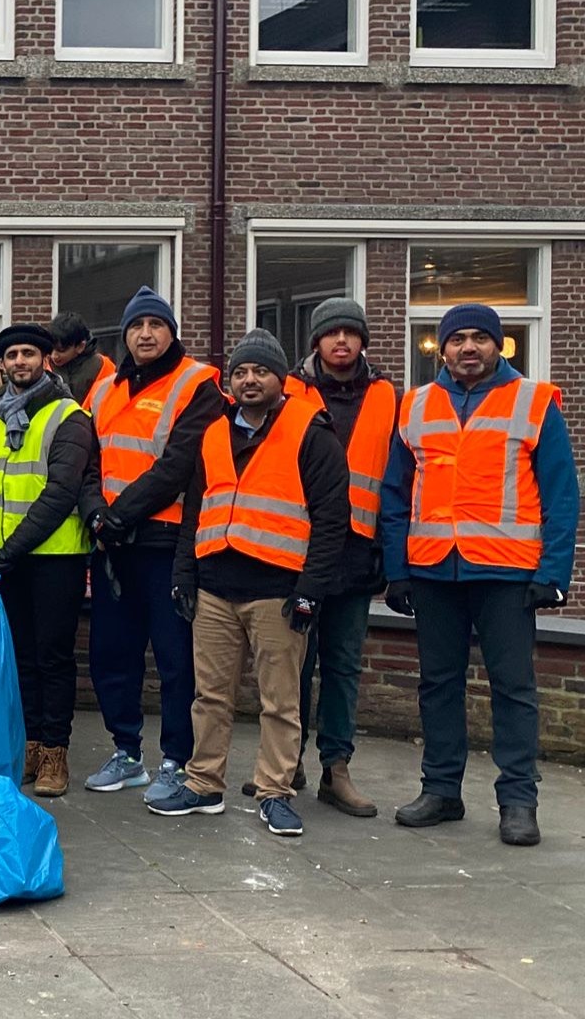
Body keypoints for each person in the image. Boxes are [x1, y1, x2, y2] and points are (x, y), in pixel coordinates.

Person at [380, 303, 578, 847]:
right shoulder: (415, 405)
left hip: (509, 572)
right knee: (437, 686)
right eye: (458, 339)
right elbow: (395, 495)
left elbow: (562, 494)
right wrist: (397, 569)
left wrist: (554, 570)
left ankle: (518, 800)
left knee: (513, 689)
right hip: (433, 570)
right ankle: (441, 790)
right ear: (441, 348)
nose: (469, 348)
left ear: (500, 345)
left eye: (480, 339)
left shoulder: (535, 402)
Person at [153, 330, 348, 838]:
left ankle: (274, 792)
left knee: (279, 701)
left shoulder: (312, 432)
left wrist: (310, 590)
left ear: (280, 378)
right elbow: (195, 511)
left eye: (260, 371)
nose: (249, 380)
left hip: (278, 592)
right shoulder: (213, 432)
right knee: (210, 696)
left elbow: (331, 522)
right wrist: (184, 574)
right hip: (216, 586)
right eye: (239, 372)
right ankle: (203, 783)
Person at [80, 287, 225, 803]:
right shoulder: (103, 390)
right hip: (113, 544)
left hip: (165, 544)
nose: (145, 334)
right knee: (110, 655)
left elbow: (179, 465)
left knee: (175, 660)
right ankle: (127, 751)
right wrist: (96, 511)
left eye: (155, 325)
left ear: (171, 333)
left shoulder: (198, 385)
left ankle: (176, 760)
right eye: (137, 326)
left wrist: (118, 514)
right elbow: (87, 459)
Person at [263, 297, 395, 816]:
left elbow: (397, 479)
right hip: (295, 548)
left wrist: (387, 550)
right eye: (331, 333)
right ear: (315, 341)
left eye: (350, 332)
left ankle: (335, 769)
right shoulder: (287, 390)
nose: (341, 341)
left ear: (362, 340)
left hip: (357, 553)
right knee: (291, 664)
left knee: (342, 667)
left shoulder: (387, 396)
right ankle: (285, 763)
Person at [0, 323, 98, 798]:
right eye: (12, 355)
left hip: (53, 558)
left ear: (46, 360)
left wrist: (10, 548)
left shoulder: (69, 416)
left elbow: (62, 492)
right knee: (20, 659)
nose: (19, 361)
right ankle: (32, 744)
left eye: (29, 353)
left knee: (53, 658)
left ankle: (55, 755)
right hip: (6, 559)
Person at [50, 311, 115, 404]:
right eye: (50, 348)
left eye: (61, 350)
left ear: (80, 347)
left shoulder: (103, 366)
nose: (54, 355)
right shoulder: (43, 364)